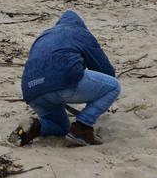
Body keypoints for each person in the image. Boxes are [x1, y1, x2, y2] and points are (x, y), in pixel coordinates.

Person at [17, 10, 120, 147]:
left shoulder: (44, 35)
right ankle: (82, 127)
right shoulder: (81, 33)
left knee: (60, 127)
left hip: (32, 90)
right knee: (113, 86)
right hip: (63, 80)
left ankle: (36, 126)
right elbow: (104, 70)